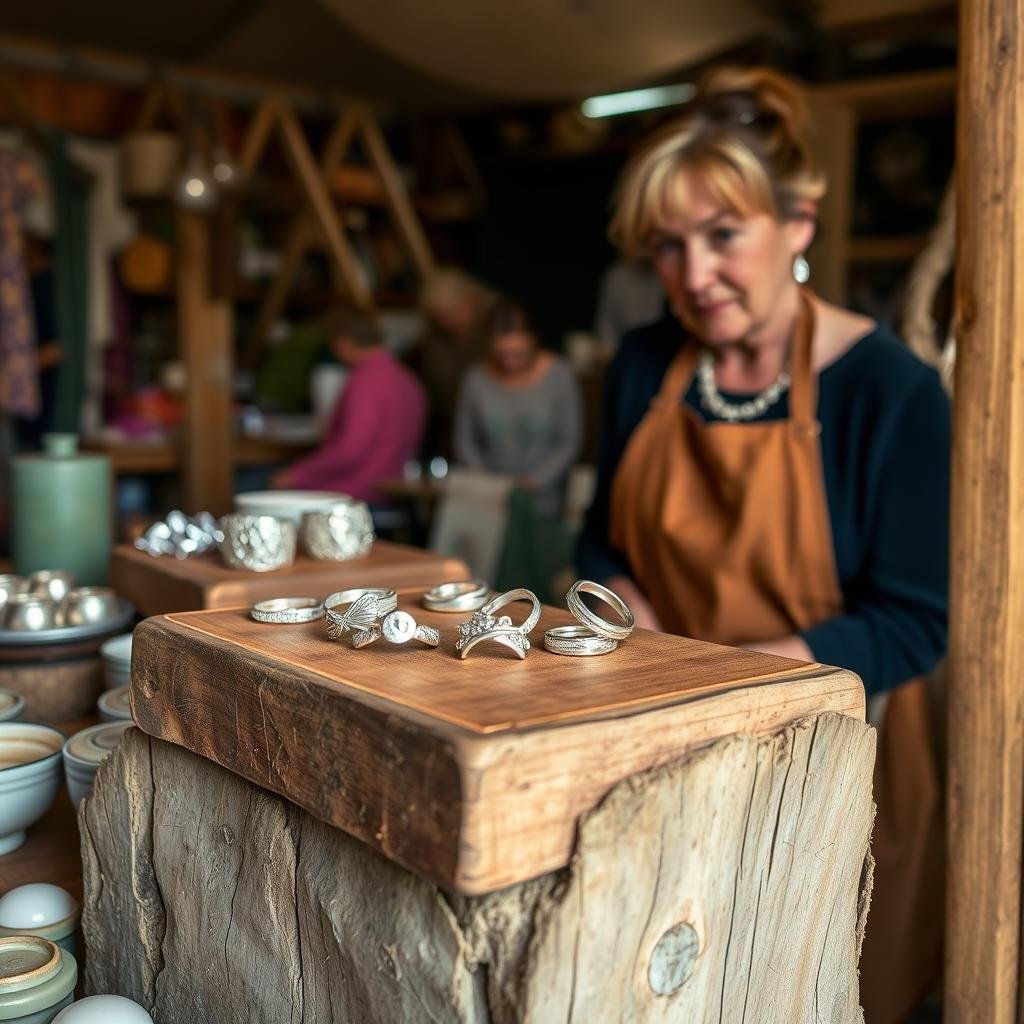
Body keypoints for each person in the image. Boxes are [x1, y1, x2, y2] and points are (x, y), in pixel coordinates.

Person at [576, 66, 950, 1022]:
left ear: (799, 226)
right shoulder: (643, 365)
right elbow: (599, 537)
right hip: (653, 739)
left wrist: (733, 684)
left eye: (722, 236)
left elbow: (912, 623)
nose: (693, 276)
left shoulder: (888, 391)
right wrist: (640, 629)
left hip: (828, 765)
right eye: (667, 246)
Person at [270, 306, 425, 504]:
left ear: (342, 343)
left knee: (256, 484)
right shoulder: (408, 378)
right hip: (393, 490)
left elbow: (349, 451)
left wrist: (297, 474)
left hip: (355, 491)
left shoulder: (365, 380)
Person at [454, 300, 582, 518]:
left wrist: (534, 481)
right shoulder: (475, 379)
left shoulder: (560, 375)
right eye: (502, 355)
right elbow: (464, 441)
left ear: (534, 342)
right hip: (489, 501)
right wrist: (488, 483)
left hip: (544, 503)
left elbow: (569, 441)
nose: (510, 363)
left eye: (518, 354)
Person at [408, 267, 496, 459]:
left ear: (472, 301)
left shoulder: (495, 333)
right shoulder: (431, 339)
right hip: (449, 428)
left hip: (492, 428)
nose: (447, 322)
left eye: (453, 313)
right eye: (439, 316)